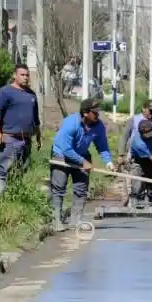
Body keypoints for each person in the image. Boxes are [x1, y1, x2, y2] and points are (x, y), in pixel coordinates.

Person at [50, 98, 114, 231]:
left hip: (81, 153)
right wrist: (83, 162)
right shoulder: (71, 123)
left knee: (81, 189)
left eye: (98, 112)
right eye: (94, 113)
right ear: (85, 113)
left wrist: (108, 161)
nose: (98, 115)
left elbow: (102, 146)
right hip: (61, 155)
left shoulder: (98, 126)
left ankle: (76, 221)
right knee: (59, 188)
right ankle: (56, 220)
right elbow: (66, 148)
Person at [0, 64, 42, 197]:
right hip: (10, 138)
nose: (25, 78)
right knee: (5, 169)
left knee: (22, 168)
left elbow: (35, 118)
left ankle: (13, 197)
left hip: (26, 139)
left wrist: (38, 135)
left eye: (27, 75)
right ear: (15, 75)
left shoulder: (31, 94)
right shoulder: (5, 91)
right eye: (22, 75)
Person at [117, 99, 152, 165]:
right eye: (150, 110)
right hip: (135, 157)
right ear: (144, 109)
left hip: (151, 157)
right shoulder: (134, 119)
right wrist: (121, 155)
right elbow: (124, 136)